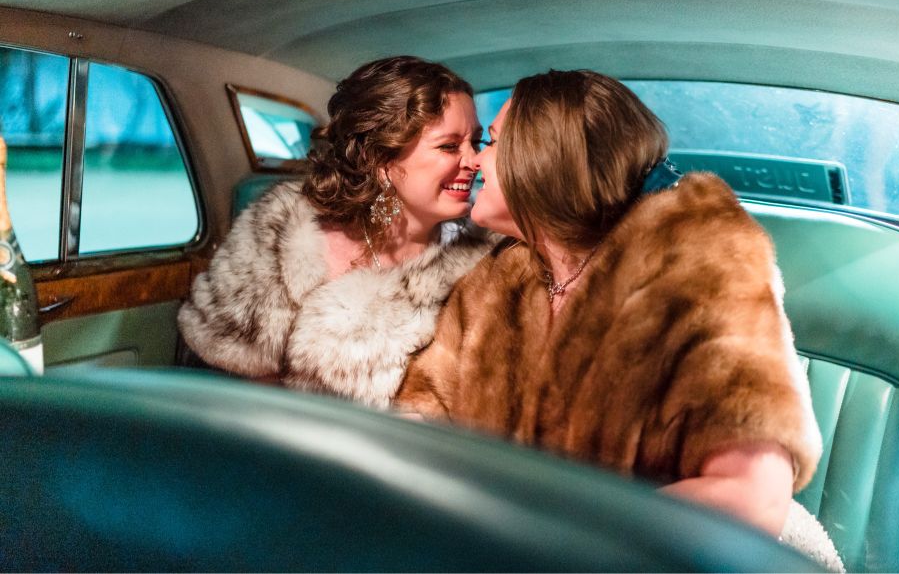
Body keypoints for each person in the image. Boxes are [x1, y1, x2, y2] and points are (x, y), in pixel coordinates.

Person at [395, 69, 843, 571]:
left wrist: (552, 538)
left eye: (493, 142)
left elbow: (752, 494)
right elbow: (423, 409)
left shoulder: (696, 268)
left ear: (546, 155)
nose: (476, 160)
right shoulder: (501, 275)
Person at [178, 56, 493, 408]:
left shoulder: (479, 265)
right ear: (382, 160)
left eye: (476, 143)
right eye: (449, 146)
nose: (474, 161)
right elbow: (231, 375)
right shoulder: (281, 234)